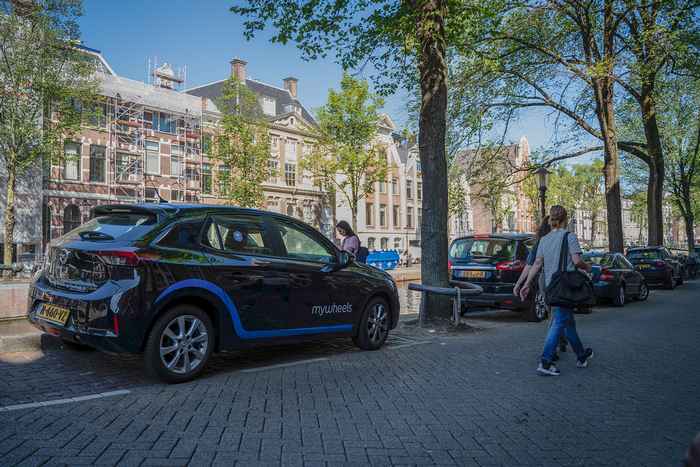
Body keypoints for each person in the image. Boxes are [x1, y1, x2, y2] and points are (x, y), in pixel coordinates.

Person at [519, 205, 593, 376]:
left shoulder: (544, 240)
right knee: (559, 322)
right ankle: (545, 361)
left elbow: (537, 264)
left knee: (568, 323)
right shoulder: (570, 237)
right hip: (565, 287)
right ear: (565, 219)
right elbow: (576, 261)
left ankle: (581, 355)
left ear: (550, 220)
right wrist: (588, 267)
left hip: (551, 287)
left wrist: (526, 284)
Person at [514, 216, 568, 359]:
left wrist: (520, 283)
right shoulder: (563, 239)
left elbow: (531, 264)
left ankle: (561, 340)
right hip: (561, 280)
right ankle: (552, 350)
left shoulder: (541, 242)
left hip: (545, 280)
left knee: (555, 313)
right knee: (558, 314)